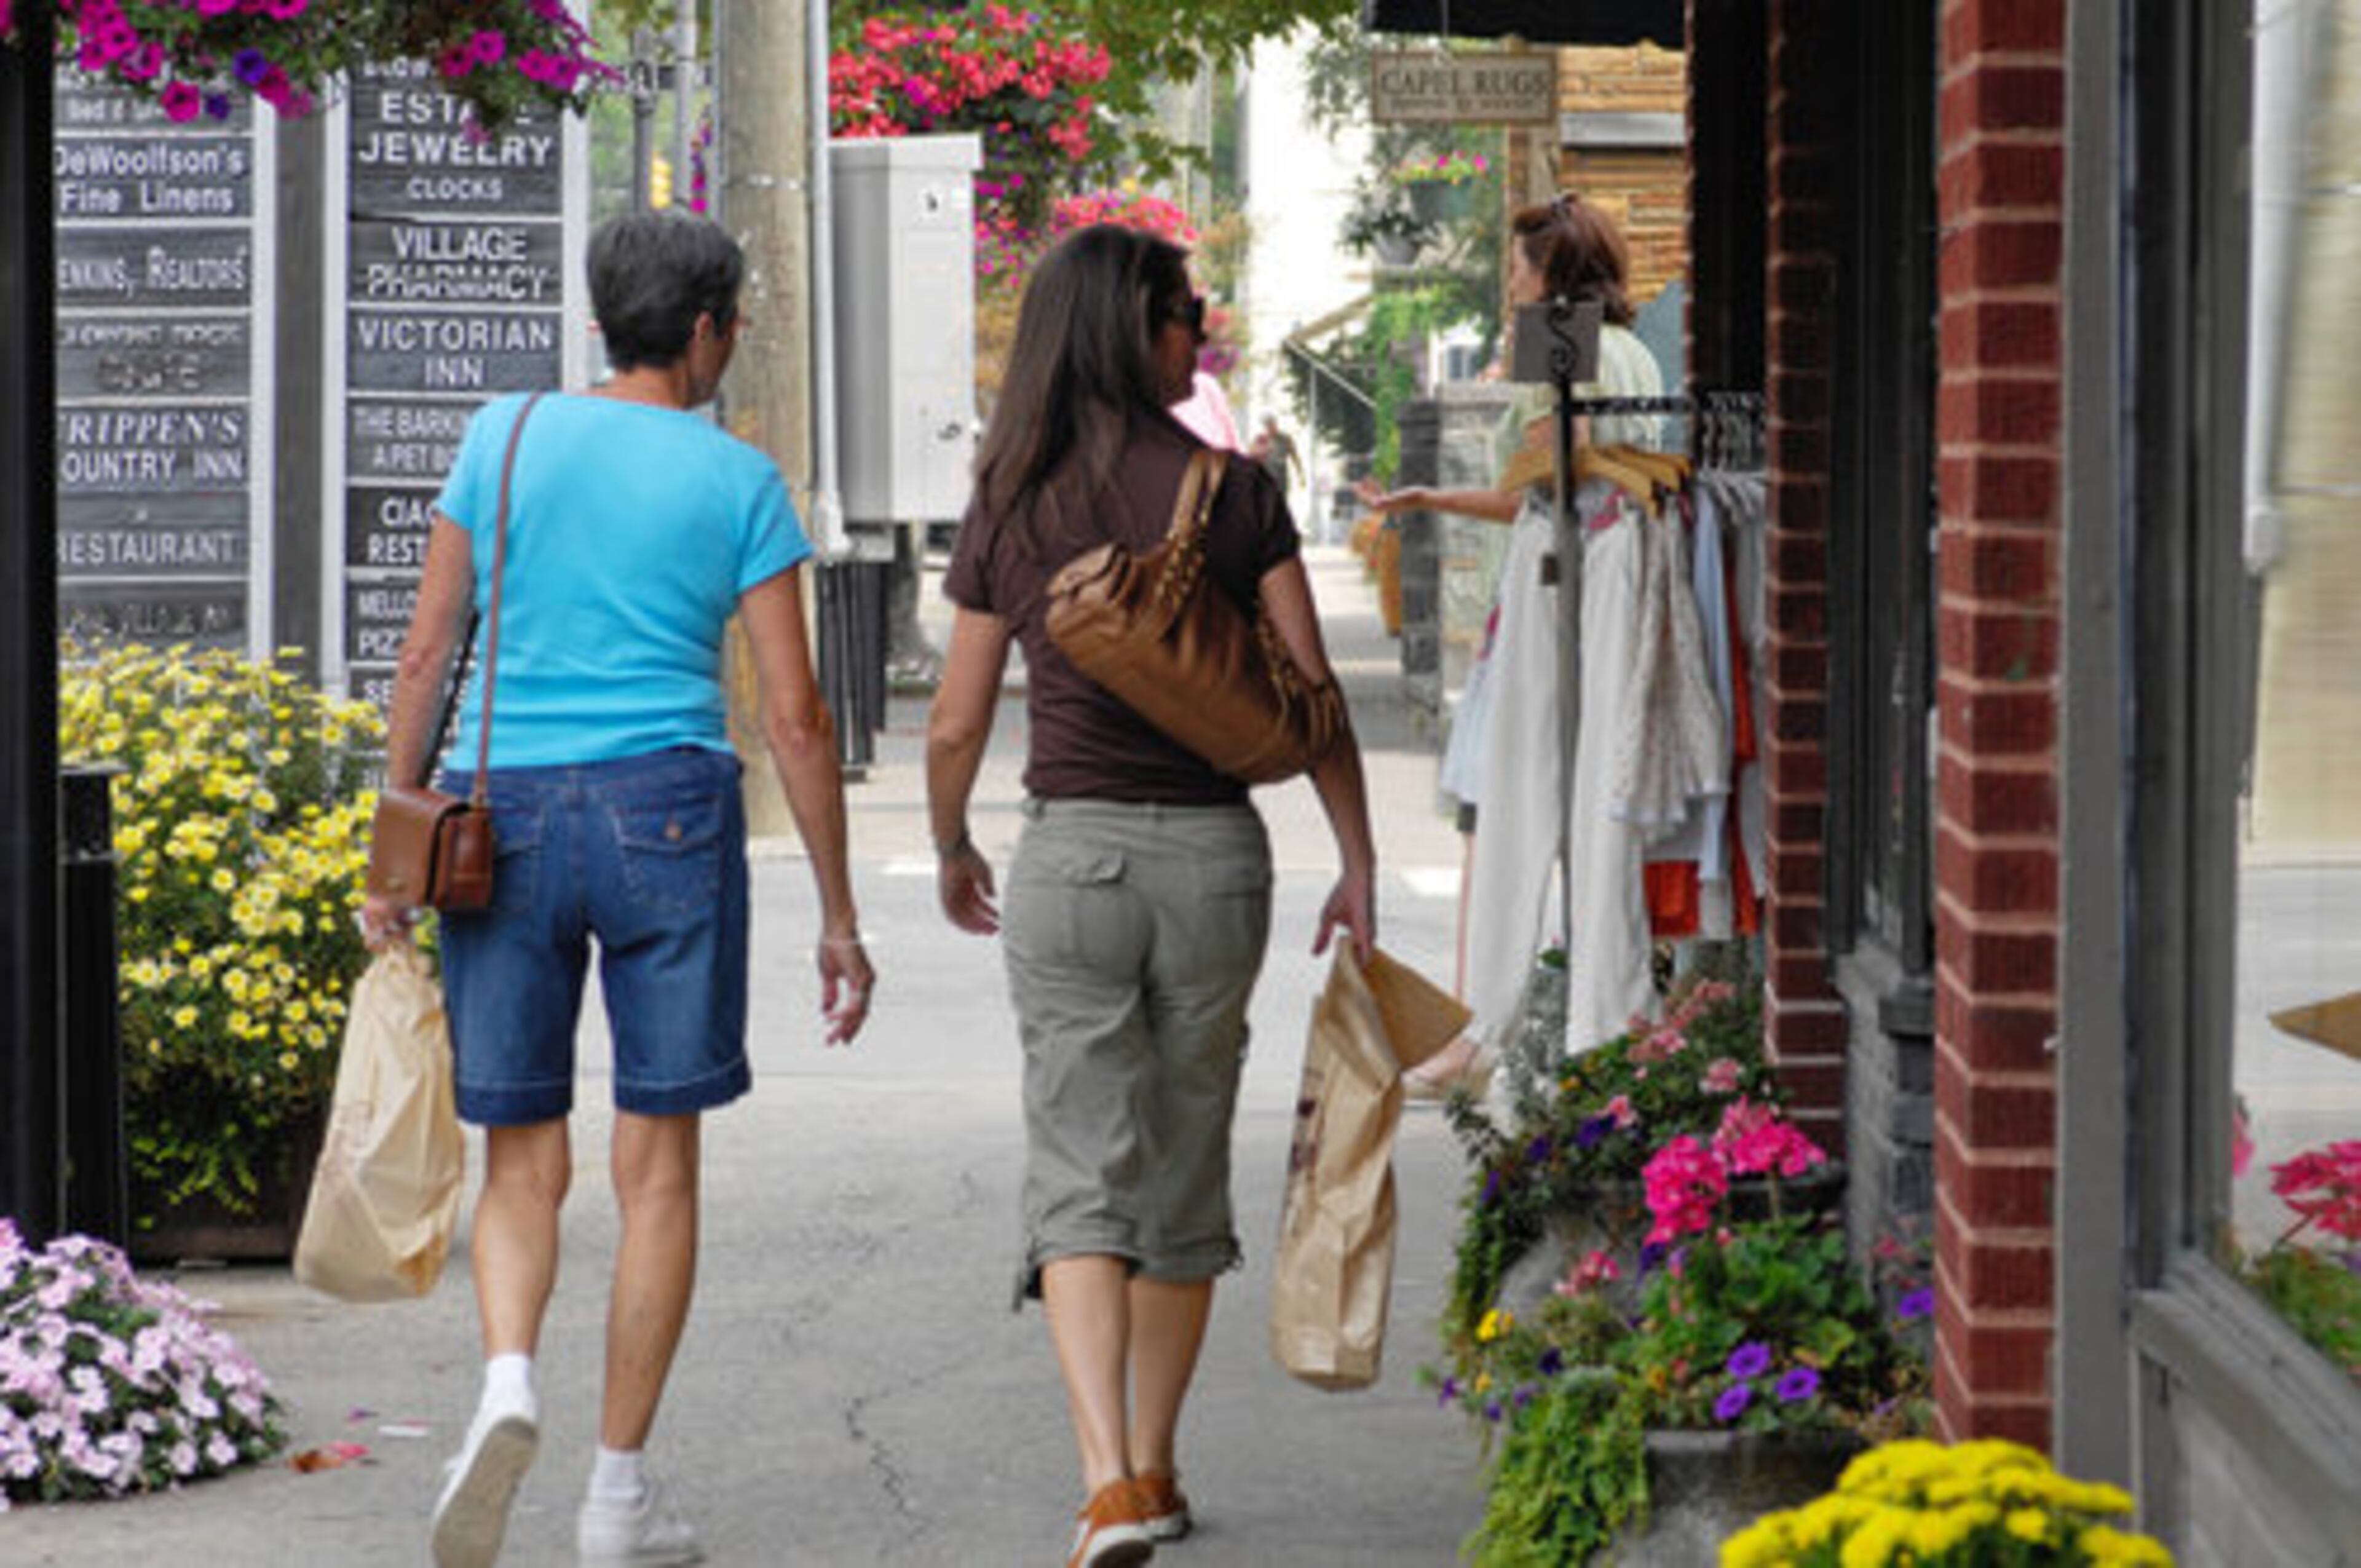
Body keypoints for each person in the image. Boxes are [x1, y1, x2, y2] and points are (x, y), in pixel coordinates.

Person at [363, 212, 874, 1568]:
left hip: (504, 815)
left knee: (520, 1154)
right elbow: (798, 716)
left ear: (606, 320)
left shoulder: (504, 437)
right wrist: (839, 915)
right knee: (659, 1168)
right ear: (704, 332)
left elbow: (427, 652)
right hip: (667, 805)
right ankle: (617, 1496)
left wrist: (389, 857)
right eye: (736, 327)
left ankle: (508, 1385)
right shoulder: (741, 481)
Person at [925, 224, 1377, 1568]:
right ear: (1137, 333)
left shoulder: (1011, 496)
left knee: (1079, 1169)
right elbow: (1314, 699)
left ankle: (1108, 1478)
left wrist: (951, 841)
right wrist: (1353, 858)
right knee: (1181, 1175)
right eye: (1186, 314)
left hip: (1070, 863)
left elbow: (954, 720)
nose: (1203, 335)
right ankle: (1160, 1465)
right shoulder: (1234, 495)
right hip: (1213, 866)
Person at [1355, 192, 1663, 1095]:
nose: (1511, 283)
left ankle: (1483, 1030)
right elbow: (1581, 482)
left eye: (1520, 267)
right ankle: (1584, 1023)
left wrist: (1453, 490)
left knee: (1506, 805)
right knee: (1589, 803)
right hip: (1608, 576)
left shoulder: (1557, 347)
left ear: (1553, 275)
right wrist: (1434, 499)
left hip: (1553, 593)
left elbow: (1550, 478)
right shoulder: (1635, 349)